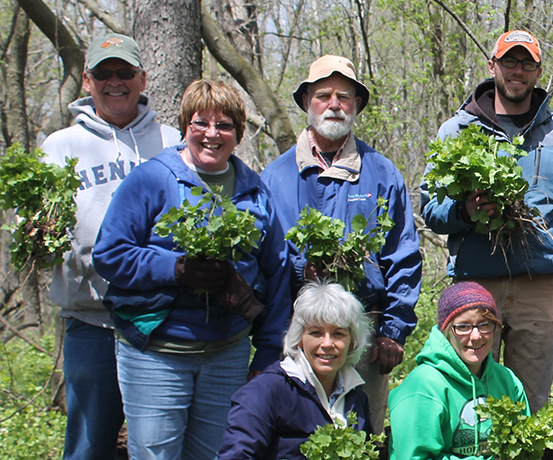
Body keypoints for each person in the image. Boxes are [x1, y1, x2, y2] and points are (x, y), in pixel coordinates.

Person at [92, 79, 292, 460]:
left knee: (217, 453)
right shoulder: (151, 179)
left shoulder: (253, 191)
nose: (212, 134)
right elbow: (110, 254)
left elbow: (278, 273)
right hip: (157, 352)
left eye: (225, 125)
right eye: (201, 123)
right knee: (155, 453)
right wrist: (176, 268)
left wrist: (267, 353)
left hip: (226, 352)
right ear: (186, 126)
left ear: (238, 133)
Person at [422, 29, 553, 412]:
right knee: (468, 399)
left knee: (528, 404)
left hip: (539, 287)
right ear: (492, 65)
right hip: (474, 286)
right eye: (509, 61)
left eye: (527, 63)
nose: (518, 70)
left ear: (538, 71)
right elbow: (429, 208)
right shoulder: (457, 131)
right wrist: (465, 212)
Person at [38, 33, 182, 460]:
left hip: (163, 320)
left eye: (124, 73)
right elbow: (39, 237)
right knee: (87, 447)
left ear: (143, 78)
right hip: (91, 321)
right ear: (87, 81)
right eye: (104, 73)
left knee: (160, 446)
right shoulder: (60, 147)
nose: (114, 82)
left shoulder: (174, 141)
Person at [261, 54, 422, 424]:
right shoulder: (275, 177)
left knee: (361, 430)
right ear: (306, 102)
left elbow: (404, 254)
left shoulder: (381, 172)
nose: (334, 104)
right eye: (323, 95)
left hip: (364, 331)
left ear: (357, 105)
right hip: (293, 330)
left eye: (344, 96)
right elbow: (264, 262)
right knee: (292, 430)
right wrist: (301, 271)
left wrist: (393, 330)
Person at [217, 281, 374, 459]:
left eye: (338, 333)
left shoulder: (356, 394)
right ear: (299, 338)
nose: (327, 344)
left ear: (352, 341)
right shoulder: (265, 391)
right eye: (316, 333)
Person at [389, 282, 528, 460]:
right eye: (463, 327)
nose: (476, 336)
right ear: (446, 331)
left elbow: (523, 448)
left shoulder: (507, 381)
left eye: (485, 325)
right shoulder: (422, 387)